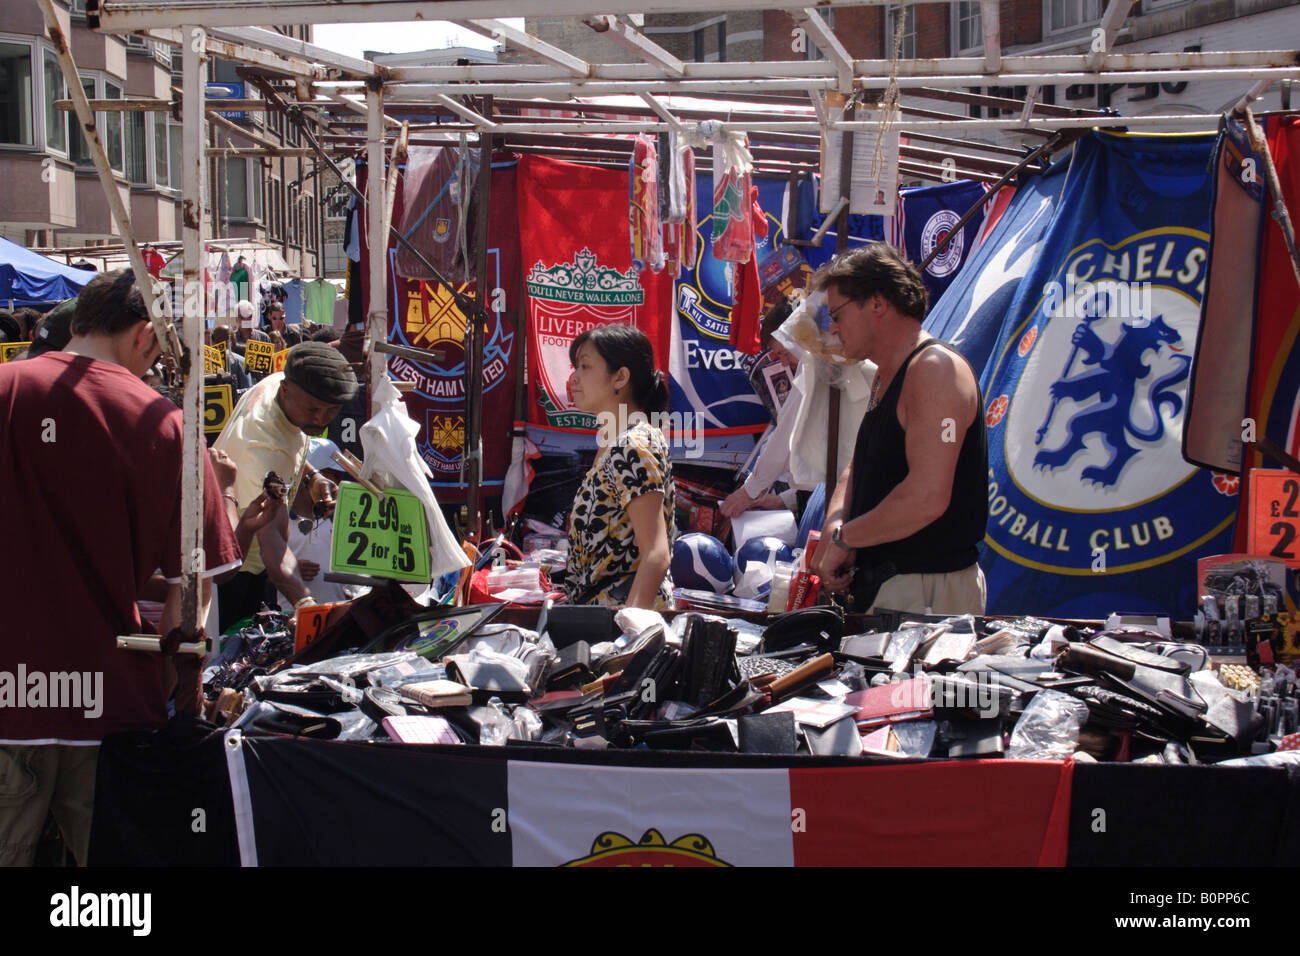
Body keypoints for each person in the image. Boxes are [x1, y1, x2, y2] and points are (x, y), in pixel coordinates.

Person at [0, 269, 241, 866]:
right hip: (110, 709)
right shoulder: (165, 422)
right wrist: (166, 680)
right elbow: (194, 593)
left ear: (77, 321)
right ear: (143, 336)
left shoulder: (5, 390)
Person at [810, 243, 988, 616]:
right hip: (896, 588)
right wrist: (836, 523)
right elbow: (860, 465)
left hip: (925, 592)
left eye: (838, 314)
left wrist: (846, 538)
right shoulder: (888, 375)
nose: (833, 328)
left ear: (876, 303)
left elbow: (926, 496)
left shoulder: (935, 370)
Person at [212, 341, 357, 631]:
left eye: (331, 411)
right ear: (286, 390)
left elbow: (289, 444)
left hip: (251, 564)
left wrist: (313, 476)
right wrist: (306, 603)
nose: (320, 420)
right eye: (313, 409)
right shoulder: (260, 450)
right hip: (235, 573)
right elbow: (274, 543)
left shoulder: (281, 381)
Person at [564, 325, 675, 609]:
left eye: (585, 366)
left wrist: (630, 630)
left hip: (620, 620)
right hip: (598, 614)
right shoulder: (614, 441)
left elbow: (656, 553)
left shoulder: (633, 445)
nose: (574, 377)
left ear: (621, 377)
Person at [721, 297, 803, 518]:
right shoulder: (810, 371)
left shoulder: (816, 372)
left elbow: (787, 435)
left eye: (785, 353)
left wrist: (748, 493)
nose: (784, 363)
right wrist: (780, 501)